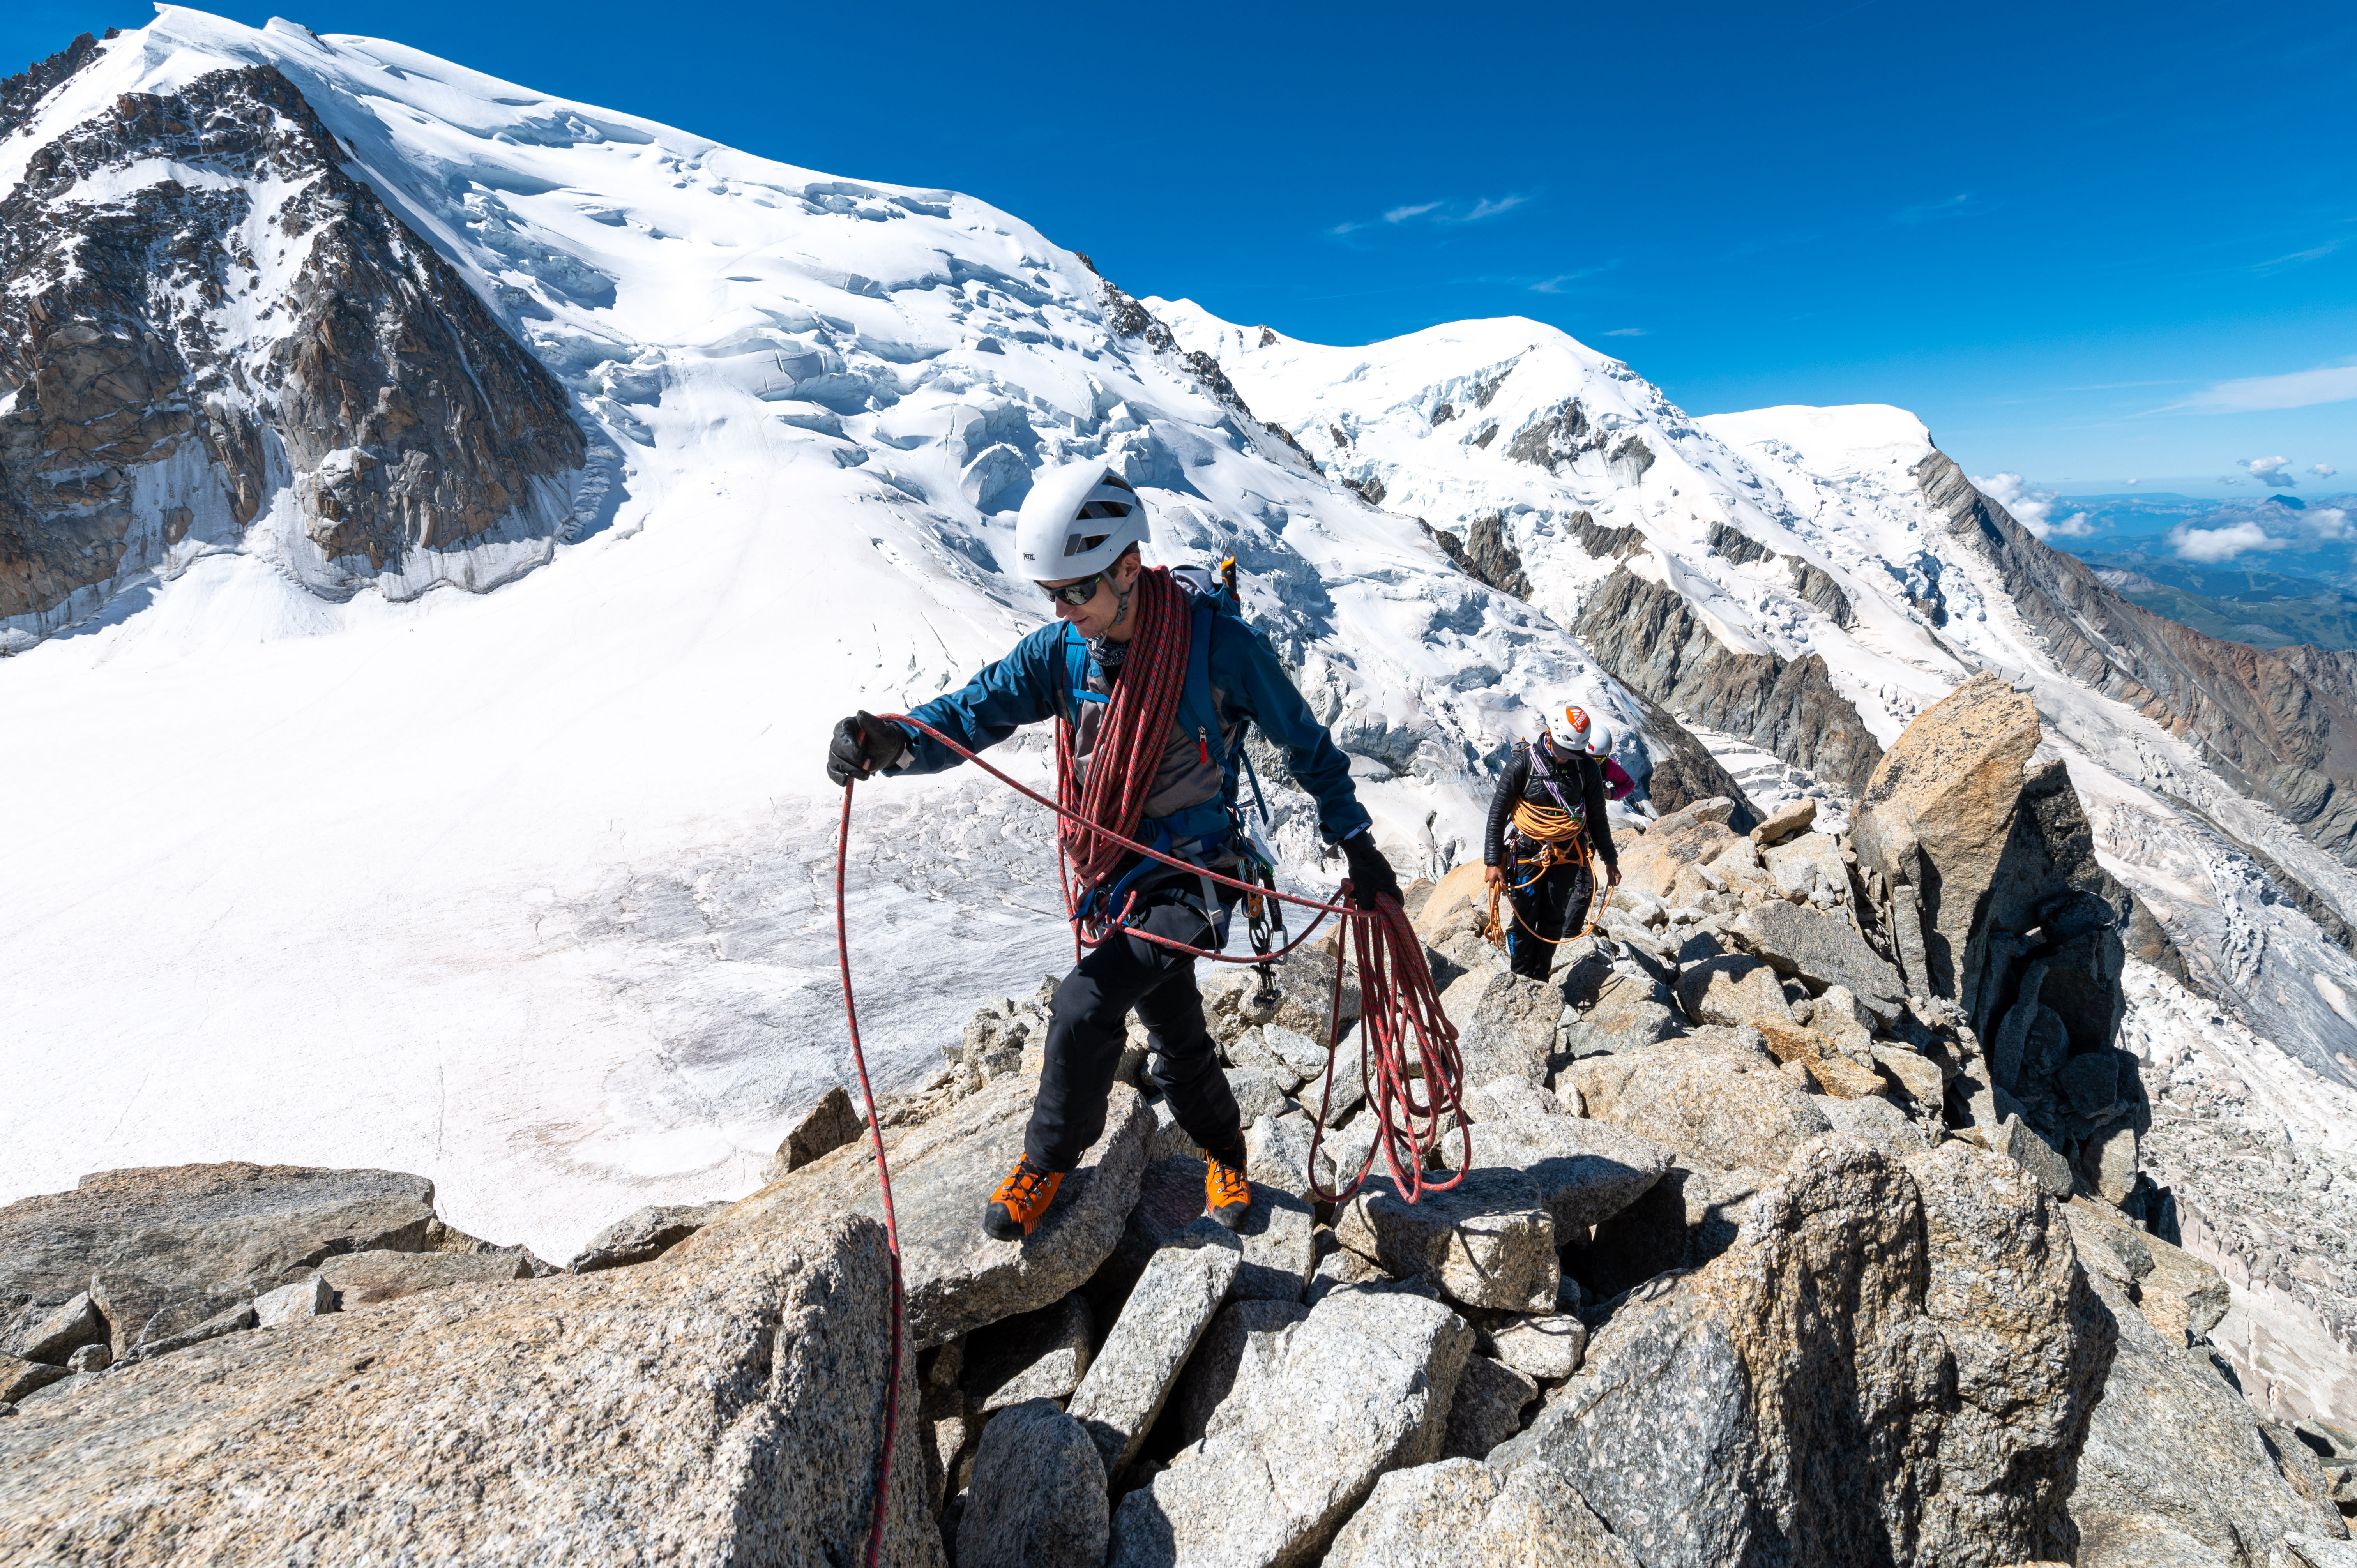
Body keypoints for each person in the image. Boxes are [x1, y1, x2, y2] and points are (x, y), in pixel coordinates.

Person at [825, 463, 1400, 1243]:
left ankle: (1050, 1160)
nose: (1064, 608)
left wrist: (1356, 841)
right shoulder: (1063, 652)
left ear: (1129, 567)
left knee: (1086, 1002)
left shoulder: (1219, 647)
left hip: (1196, 876)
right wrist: (893, 740)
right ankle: (1225, 1149)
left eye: (1077, 591)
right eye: (1052, 594)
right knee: (1173, 1025)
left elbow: (1307, 743)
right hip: (1114, 876)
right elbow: (973, 711)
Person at [1483, 704, 1622, 980]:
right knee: (1524, 918)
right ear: (1549, 735)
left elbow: (1596, 818)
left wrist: (1611, 859)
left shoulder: (1587, 770)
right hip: (1526, 853)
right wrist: (1492, 861)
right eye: (1566, 752)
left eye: (1576, 753)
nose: (1569, 758)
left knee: (1554, 919)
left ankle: (1541, 976)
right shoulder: (1522, 765)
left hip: (1567, 855)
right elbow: (1498, 813)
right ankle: (1521, 977)